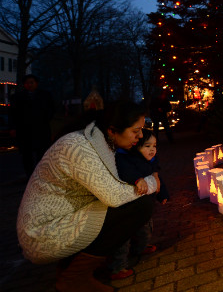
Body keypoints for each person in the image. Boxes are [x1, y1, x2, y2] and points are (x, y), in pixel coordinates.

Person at [16, 100, 158, 292]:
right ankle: (75, 278)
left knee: (133, 203)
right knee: (139, 206)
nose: (140, 136)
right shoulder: (78, 146)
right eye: (135, 131)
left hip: (64, 218)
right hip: (43, 232)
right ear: (112, 130)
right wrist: (153, 183)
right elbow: (114, 196)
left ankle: (68, 269)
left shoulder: (99, 142)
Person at [109, 129, 169, 280]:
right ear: (136, 147)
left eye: (154, 146)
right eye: (147, 146)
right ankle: (117, 267)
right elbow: (125, 172)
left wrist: (162, 194)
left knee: (146, 229)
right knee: (124, 238)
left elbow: (157, 178)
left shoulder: (151, 161)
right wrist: (137, 179)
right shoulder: (126, 159)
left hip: (143, 207)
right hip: (127, 208)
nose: (152, 150)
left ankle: (140, 247)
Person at [9, 74, 55, 178]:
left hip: (41, 128)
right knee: (27, 155)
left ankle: (41, 174)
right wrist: (12, 127)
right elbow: (13, 113)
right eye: (27, 83)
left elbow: (51, 109)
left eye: (31, 82)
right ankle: (30, 175)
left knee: (41, 153)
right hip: (24, 130)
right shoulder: (18, 97)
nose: (29, 85)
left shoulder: (45, 95)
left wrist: (45, 119)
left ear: (36, 83)